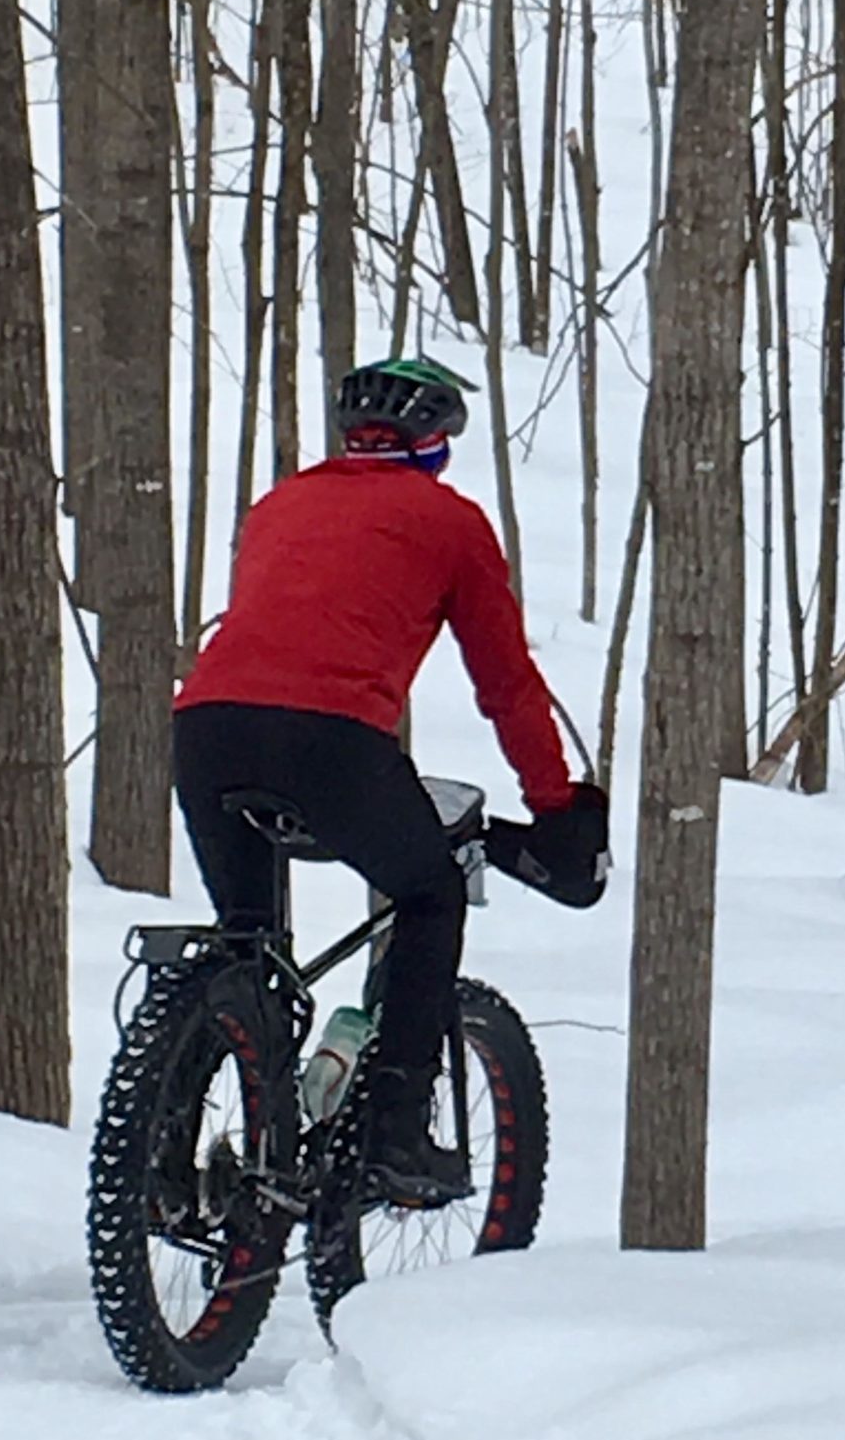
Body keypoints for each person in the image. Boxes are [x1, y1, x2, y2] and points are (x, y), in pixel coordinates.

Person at [173, 357, 606, 1197]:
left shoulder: (280, 504)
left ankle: (175, 1152)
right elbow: (506, 682)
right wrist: (554, 804)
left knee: (246, 944)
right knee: (429, 895)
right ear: (435, 443)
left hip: (206, 728)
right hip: (331, 742)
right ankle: (395, 1137)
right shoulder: (449, 521)